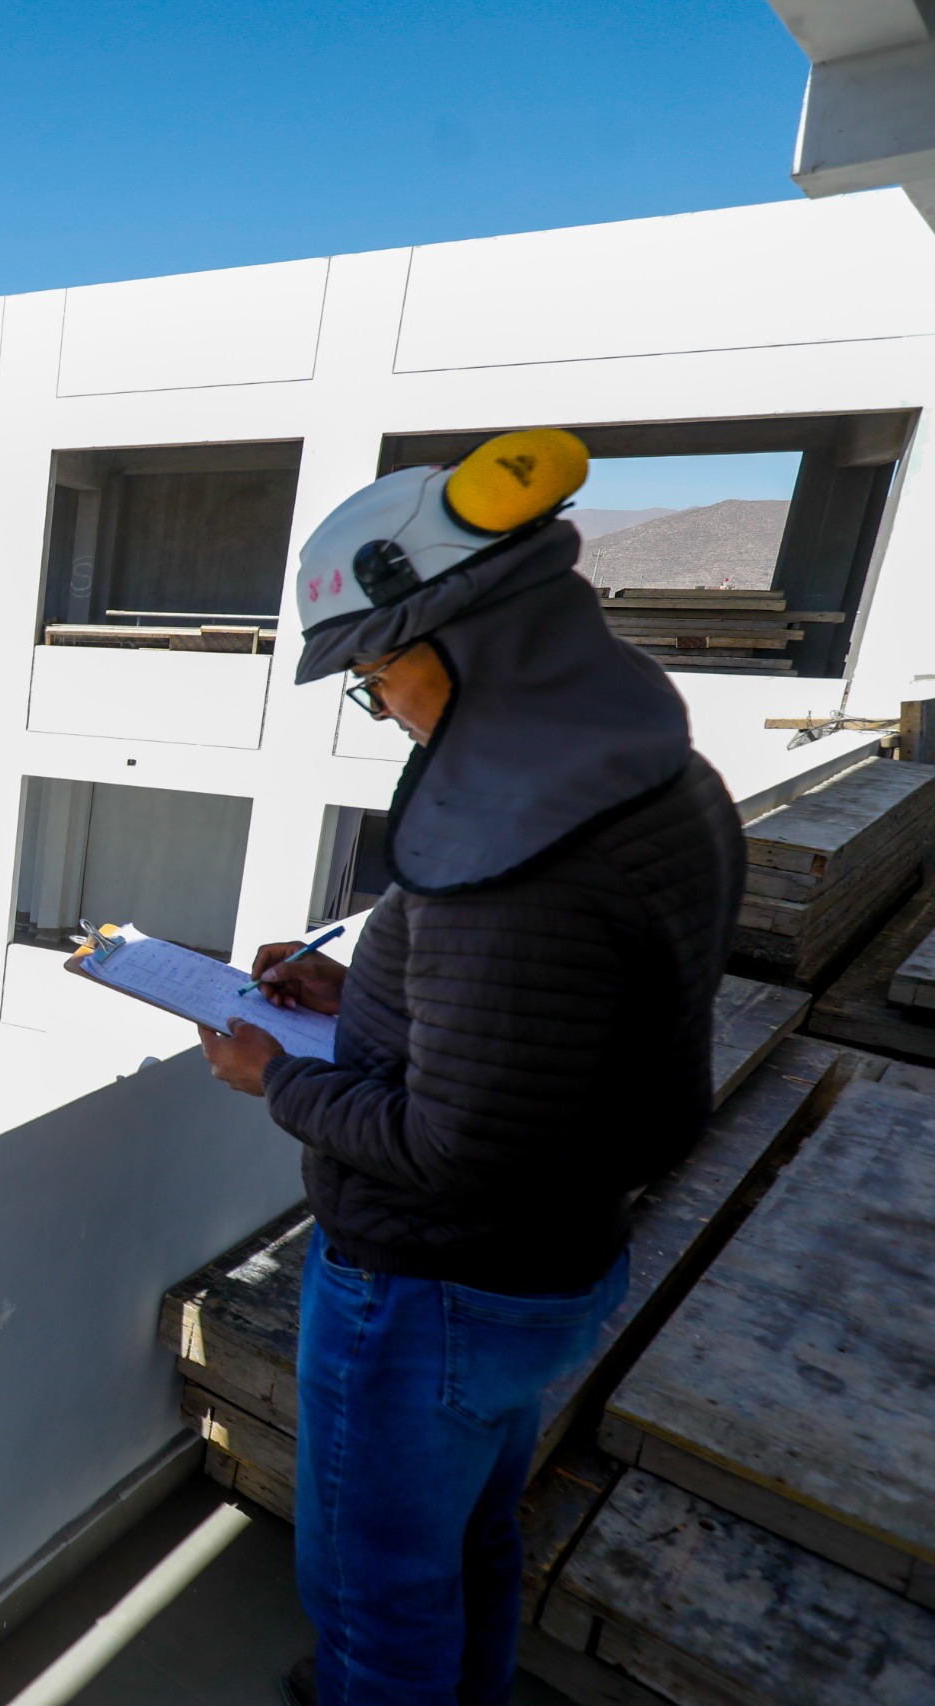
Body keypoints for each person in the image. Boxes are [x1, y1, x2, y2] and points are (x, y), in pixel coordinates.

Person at [195, 430, 744, 1706]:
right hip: (552, 1263)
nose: (378, 701)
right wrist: (361, 997)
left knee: (374, 1594)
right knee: (470, 1537)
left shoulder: (519, 866)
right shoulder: (652, 779)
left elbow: (458, 1148)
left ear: (473, 639)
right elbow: (547, 1029)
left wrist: (271, 1074)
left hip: (429, 1290)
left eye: (375, 669)